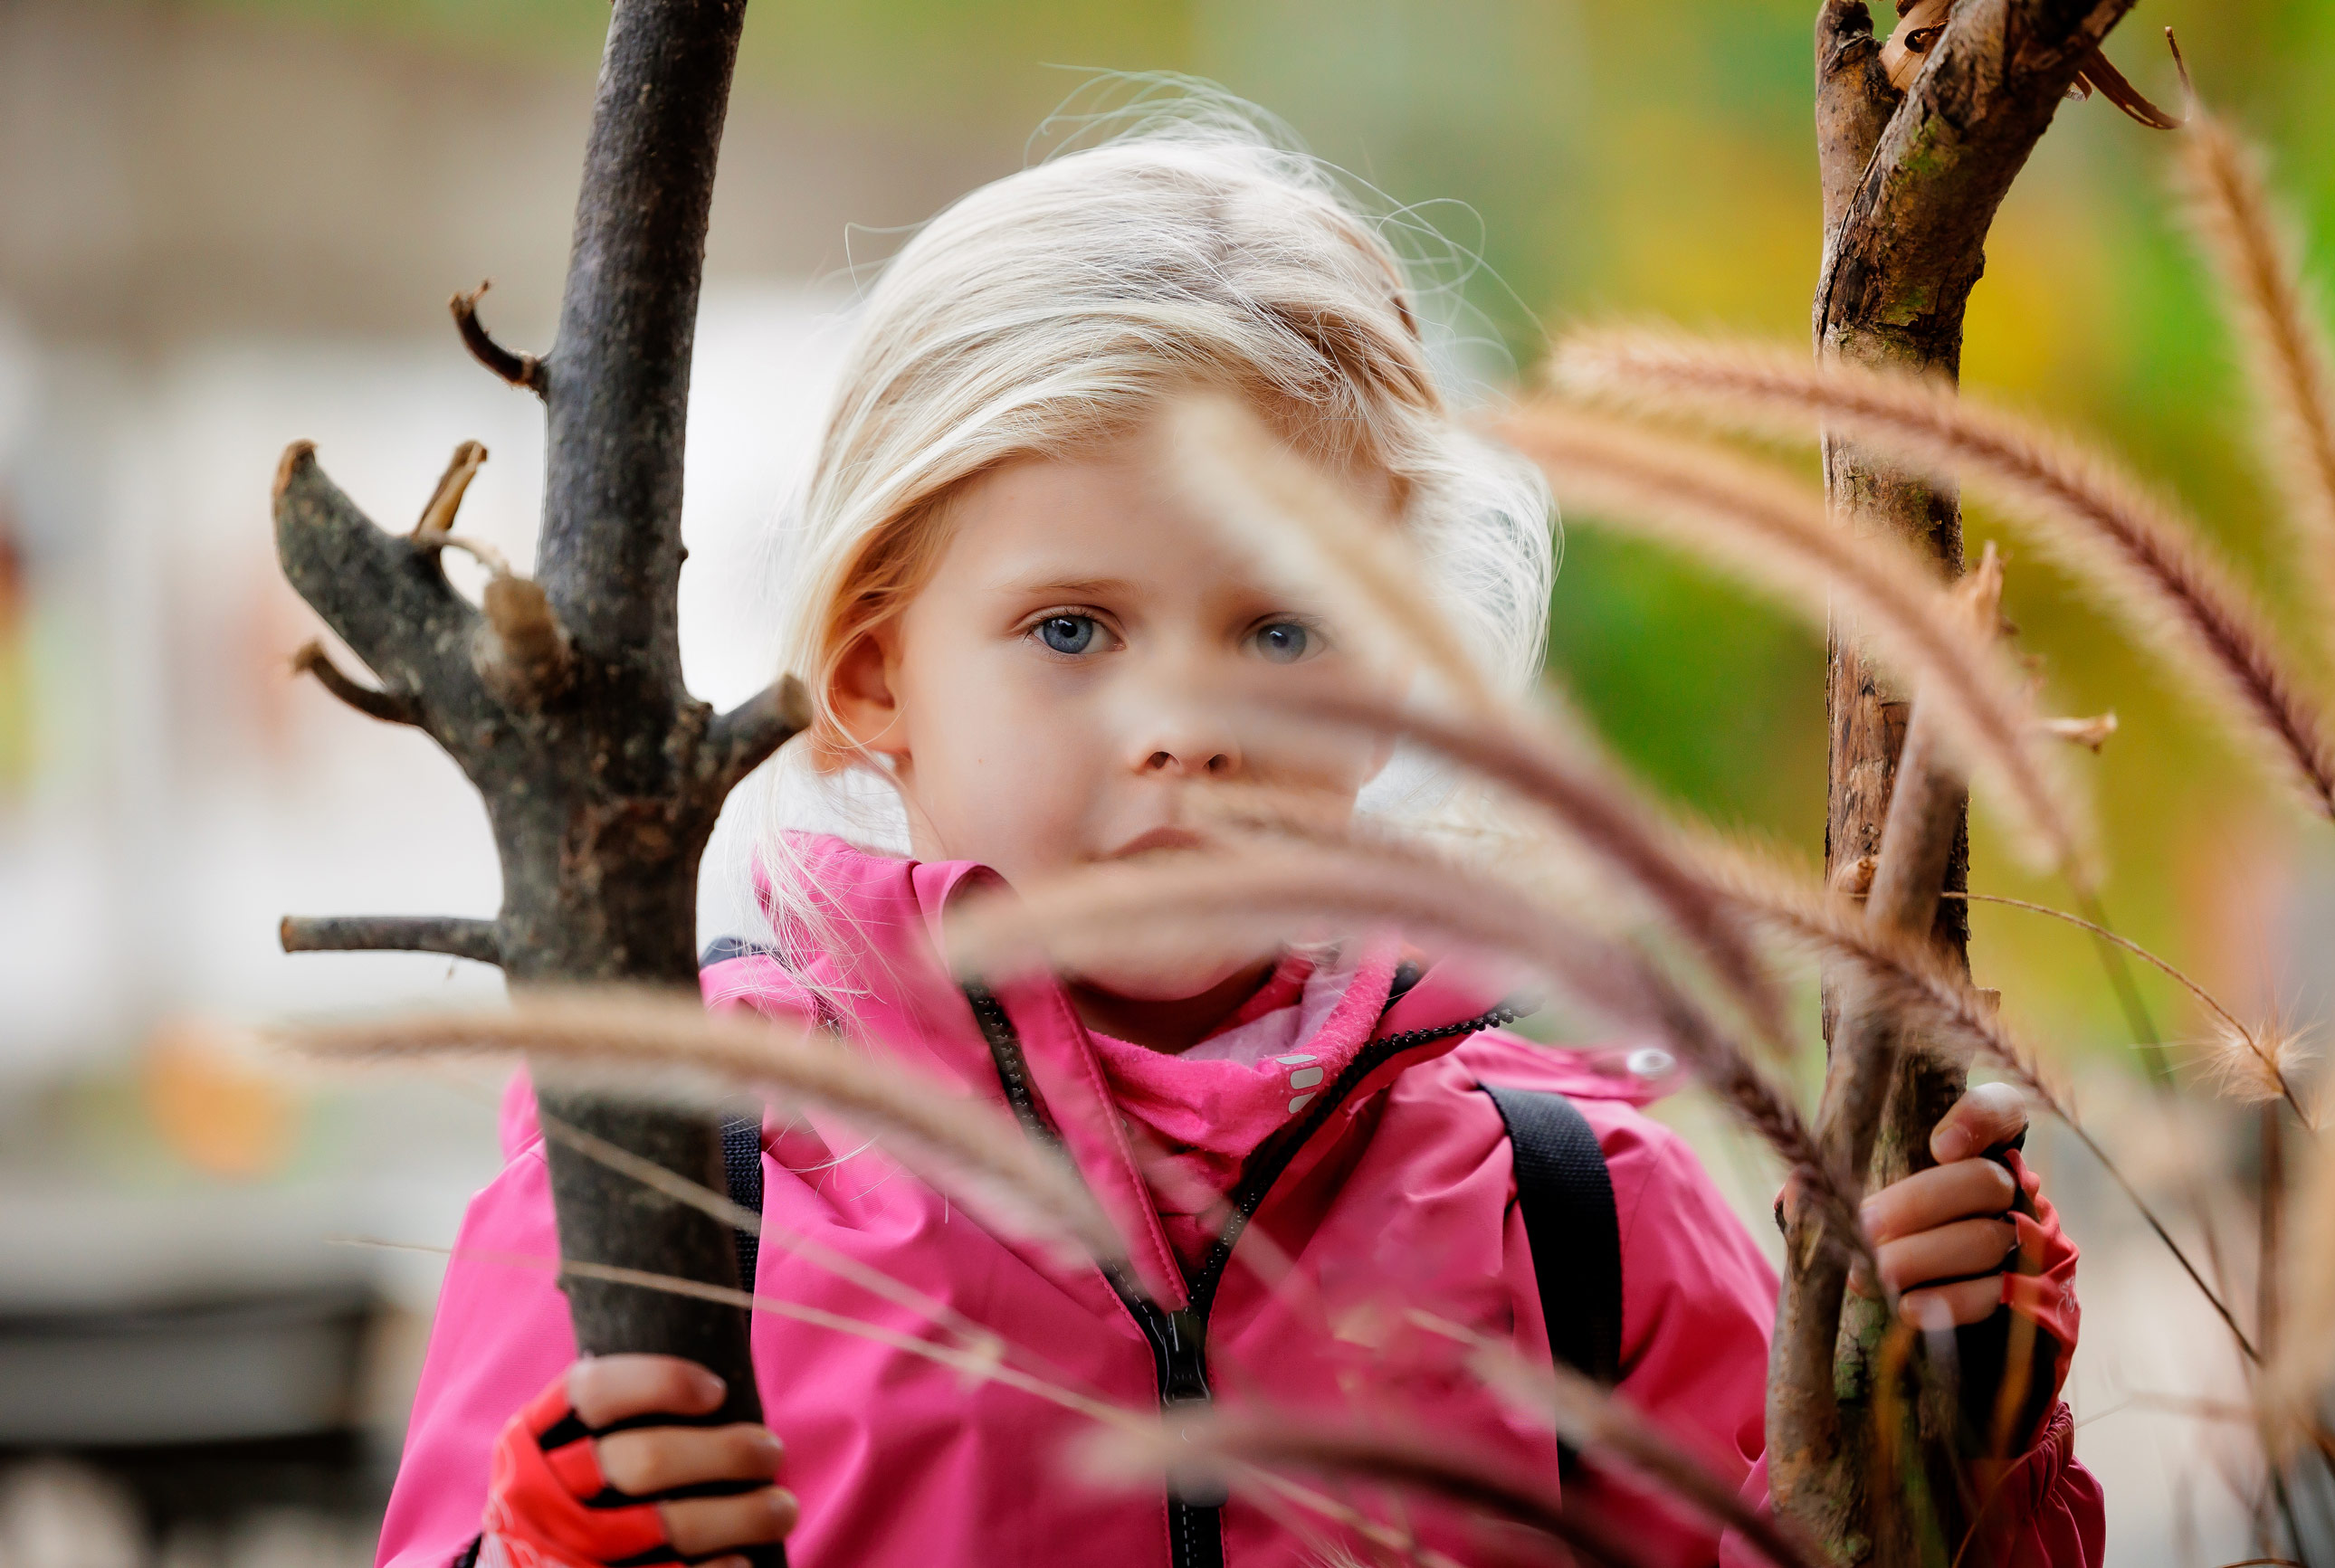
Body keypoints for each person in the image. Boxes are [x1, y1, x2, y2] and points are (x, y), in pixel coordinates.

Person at [376, 102, 2102, 1568]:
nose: (1187, 722)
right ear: (871, 668)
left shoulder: (1578, 1216)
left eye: (1284, 631)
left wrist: (1941, 1425)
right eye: (1072, 629)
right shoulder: (683, 1180)